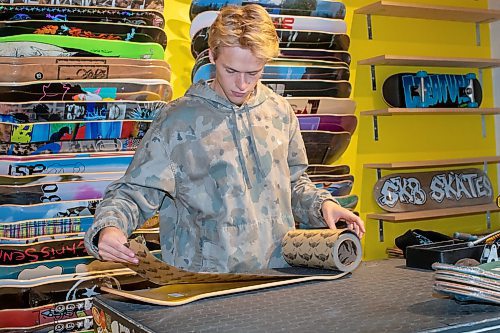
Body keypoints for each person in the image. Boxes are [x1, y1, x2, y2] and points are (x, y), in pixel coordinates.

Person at [84, 4, 365, 273]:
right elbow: (134, 193)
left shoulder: (280, 113)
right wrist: (110, 228)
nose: (242, 85)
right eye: (231, 71)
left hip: (278, 273)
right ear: (212, 56)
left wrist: (323, 205)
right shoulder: (177, 121)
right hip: (205, 282)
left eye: (253, 73)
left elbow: (294, 183)